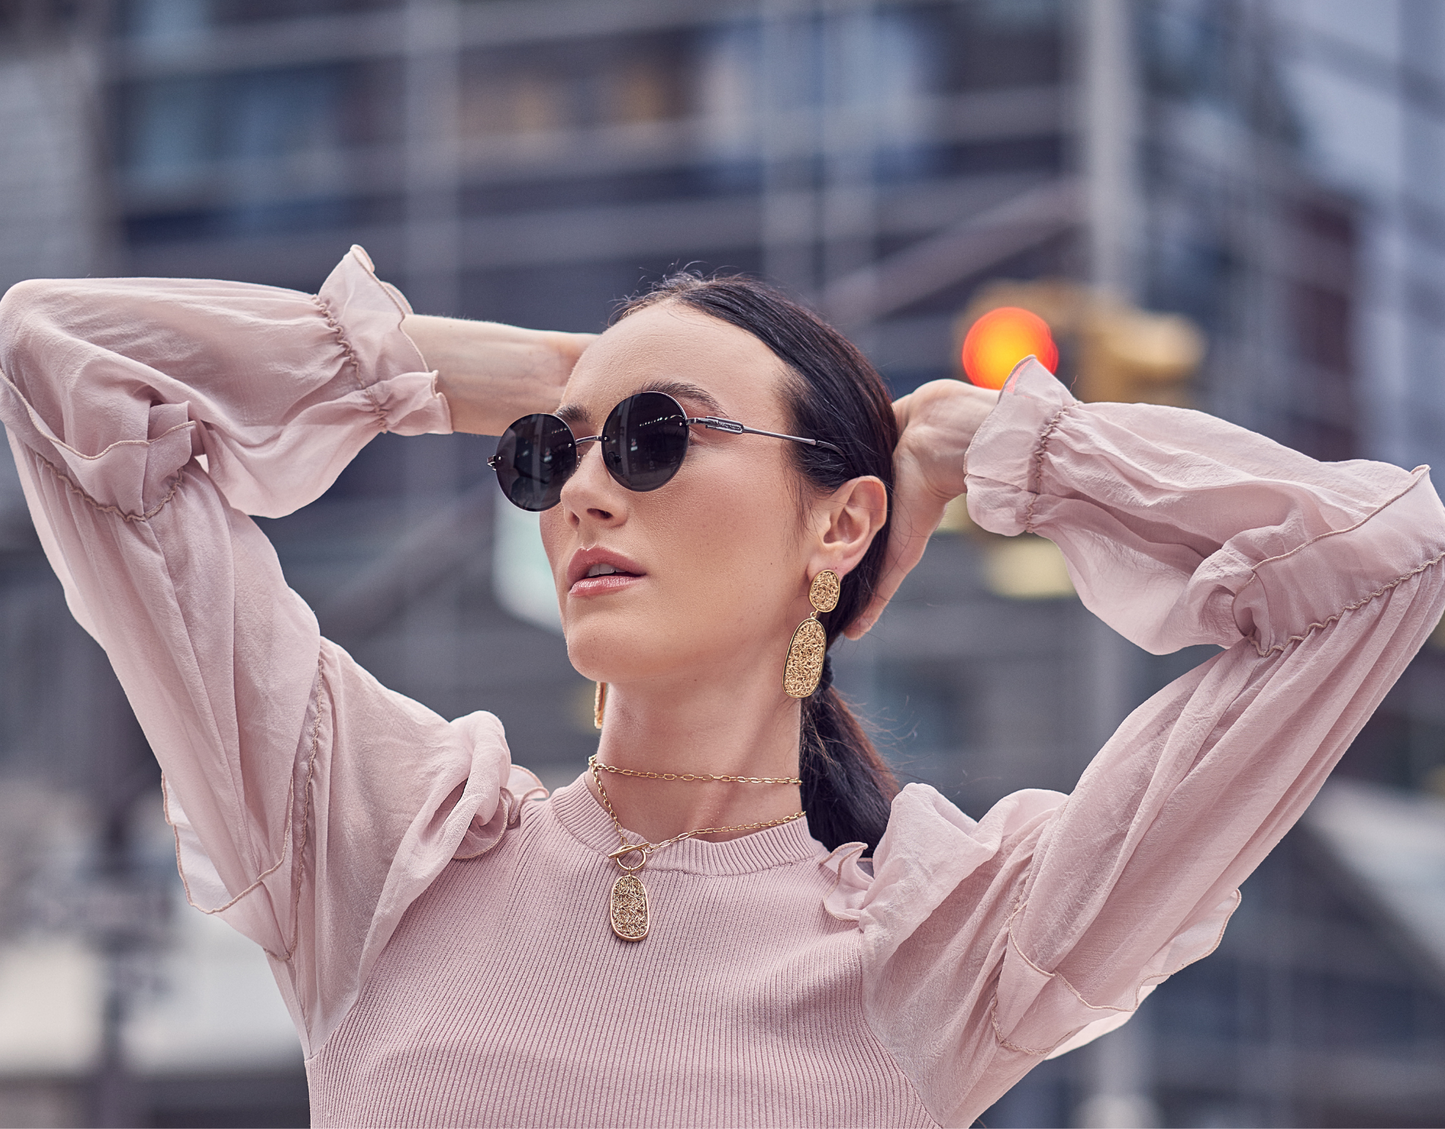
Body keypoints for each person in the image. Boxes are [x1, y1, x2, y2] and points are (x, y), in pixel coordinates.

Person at [1, 244, 1441, 1128]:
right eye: (548, 455)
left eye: (653, 437)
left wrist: (986, 445)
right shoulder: (385, 847)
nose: (581, 493)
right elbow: (59, 365)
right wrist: (488, 376)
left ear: (842, 524)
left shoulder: (945, 936)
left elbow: (1380, 569)